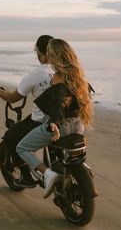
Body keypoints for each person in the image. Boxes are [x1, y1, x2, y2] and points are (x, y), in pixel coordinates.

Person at [16, 38, 93, 198]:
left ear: (54, 56)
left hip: (60, 126)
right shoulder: (79, 76)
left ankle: (48, 174)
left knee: (22, 148)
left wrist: (53, 124)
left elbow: (58, 106)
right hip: (78, 125)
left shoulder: (58, 77)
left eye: (49, 54)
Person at [0, 35, 54, 187]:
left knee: (11, 137)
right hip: (68, 119)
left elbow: (12, 98)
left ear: (40, 53)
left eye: (36, 51)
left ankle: (26, 176)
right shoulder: (65, 71)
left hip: (41, 121)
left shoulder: (35, 74)